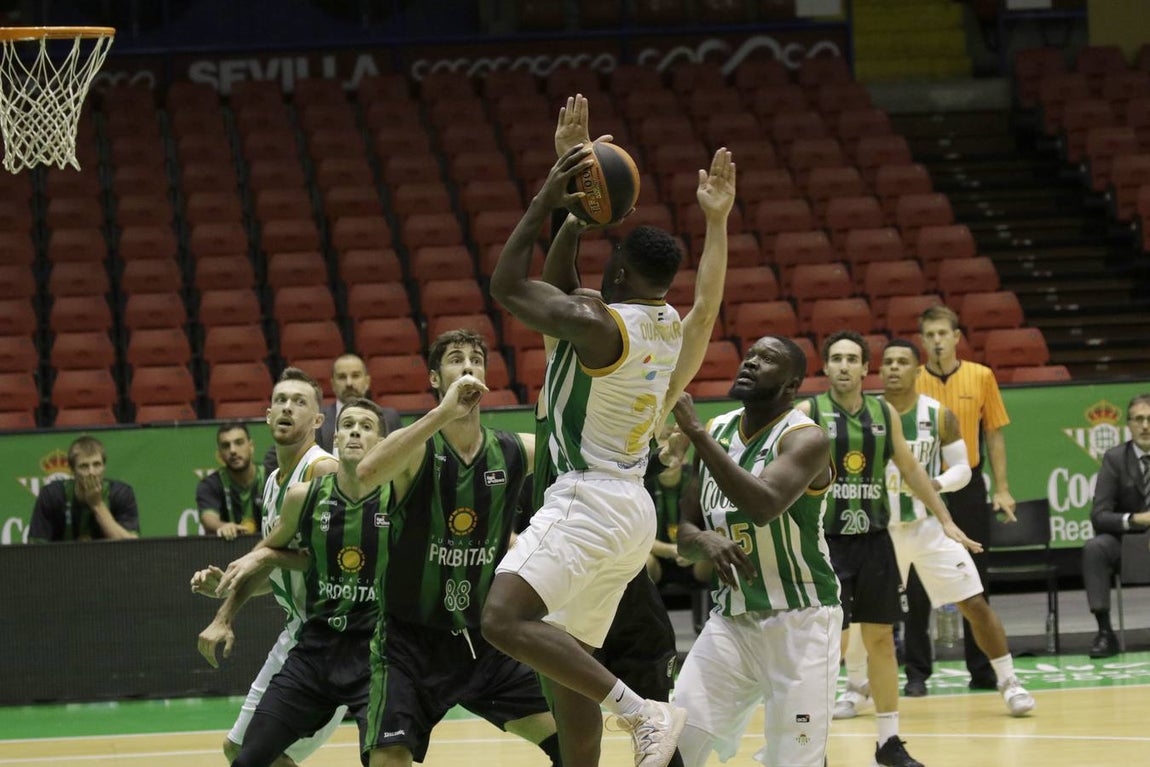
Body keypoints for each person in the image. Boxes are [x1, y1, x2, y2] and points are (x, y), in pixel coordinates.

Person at [481, 94, 734, 767]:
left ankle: (644, 712)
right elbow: (698, 304)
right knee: (569, 682)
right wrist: (586, 197)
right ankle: (620, 719)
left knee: (502, 619)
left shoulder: (600, 324)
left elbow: (508, 284)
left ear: (616, 273)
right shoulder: (666, 325)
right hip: (626, 512)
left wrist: (549, 195)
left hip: (584, 502)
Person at [350, 330, 561, 767]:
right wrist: (443, 413)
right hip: (410, 643)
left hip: (484, 640)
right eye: (455, 359)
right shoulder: (418, 447)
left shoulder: (512, 449)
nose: (468, 366)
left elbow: (573, 457)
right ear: (434, 377)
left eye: (476, 359)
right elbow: (367, 472)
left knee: (569, 743)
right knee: (388, 759)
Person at [797, 330, 979, 767]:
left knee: (880, 639)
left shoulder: (882, 413)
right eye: (835, 358)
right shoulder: (808, 412)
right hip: (826, 542)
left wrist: (946, 519)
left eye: (852, 359)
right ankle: (810, 744)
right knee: (828, 645)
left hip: (876, 539)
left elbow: (913, 469)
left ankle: (888, 741)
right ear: (825, 367)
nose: (843, 365)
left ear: (865, 368)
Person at [834, 340, 1035, 720]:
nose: (893, 367)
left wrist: (935, 484)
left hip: (927, 528)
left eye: (902, 362)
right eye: (887, 362)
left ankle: (1009, 681)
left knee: (974, 603)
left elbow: (963, 470)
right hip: (878, 533)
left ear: (916, 369)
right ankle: (856, 687)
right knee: (863, 618)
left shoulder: (938, 415)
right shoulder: (863, 414)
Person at [669, 335, 842, 767]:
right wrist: (705, 540)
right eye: (750, 355)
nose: (750, 362)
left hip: (800, 621)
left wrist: (693, 433)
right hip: (731, 622)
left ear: (792, 383)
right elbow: (685, 535)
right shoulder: (719, 430)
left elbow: (764, 505)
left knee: (795, 759)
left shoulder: (807, 439)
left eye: (767, 360)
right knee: (674, 744)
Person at [210, 398, 395, 767]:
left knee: (387, 758)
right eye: (348, 425)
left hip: (377, 652)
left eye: (367, 426)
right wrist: (232, 592)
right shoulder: (301, 497)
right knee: (244, 754)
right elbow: (273, 553)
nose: (356, 431)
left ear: (382, 442)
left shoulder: (400, 497)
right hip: (315, 647)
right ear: (336, 437)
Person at [192, 367, 339, 767]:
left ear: (318, 420)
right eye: (280, 401)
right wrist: (228, 586)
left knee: (260, 754)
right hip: (297, 632)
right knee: (239, 750)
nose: (288, 407)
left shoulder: (322, 470)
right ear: (268, 415)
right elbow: (278, 572)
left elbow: (335, 563)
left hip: (337, 639)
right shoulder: (274, 482)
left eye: (300, 401)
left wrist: (266, 556)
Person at [906, 304, 1016, 693]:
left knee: (974, 580)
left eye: (943, 333)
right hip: (923, 485)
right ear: (922, 341)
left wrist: (1001, 488)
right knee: (916, 580)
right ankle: (917, 674)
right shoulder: (911, 380)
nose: (937, 340)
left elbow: (995, 433)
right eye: (930, 334)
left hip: (968, 486)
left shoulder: (981, 376)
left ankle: (982, 670)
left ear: (956, 337)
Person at [1081, 392, 1150, 658]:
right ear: (1129, 425)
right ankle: (1104, 633)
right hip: (1127, 543)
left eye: (1149, 419)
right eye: (1139, 419)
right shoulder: (1115, 459)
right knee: (1095, 548)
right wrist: (1135, 519)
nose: (1145, 426)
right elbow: (1099, 515)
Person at [262, 354, 402, 472]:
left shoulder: (389, 417)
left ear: (367, 381)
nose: (349, 383)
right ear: (333, 384)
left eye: (355, 376)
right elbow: (275, 457)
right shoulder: (314, 418)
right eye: (342, 377)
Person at [29, 435, 139, 541]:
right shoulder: (52, 496)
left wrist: (97, 505)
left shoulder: (121, 494)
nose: (91, 472)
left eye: (97, 465)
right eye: (84, 466)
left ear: (104, 467)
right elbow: (35, 548)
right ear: (73, 470)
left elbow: (131, 546)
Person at [198, 422, 267, 540]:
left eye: (239, 443)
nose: (233, 450)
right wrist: (223, 526)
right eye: (226, 446)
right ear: (219, 454)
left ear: (251, 446)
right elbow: (208, 517)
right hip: (229, 550)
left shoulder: (271, 477)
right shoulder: (210, 485)